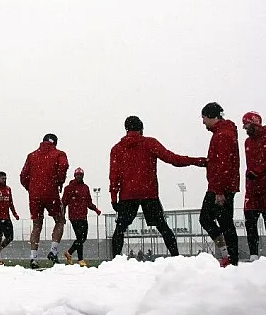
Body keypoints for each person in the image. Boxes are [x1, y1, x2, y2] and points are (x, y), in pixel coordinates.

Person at [109, 116, 206, 259]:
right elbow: (172, 158)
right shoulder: (149, 143)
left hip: (127, 195)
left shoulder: (117, 149)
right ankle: (176, 257)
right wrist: (198, 161)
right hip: (149, 193)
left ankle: (115, 260)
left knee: (120, 229)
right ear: (141, 129)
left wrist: (113, 198)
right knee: (162, 226)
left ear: (126, 129)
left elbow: (114, 176)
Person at [199, 103, 240, 266]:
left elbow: (223, 164)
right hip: (224, 185)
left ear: (211, 116)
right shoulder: (225, 132)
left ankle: (229, 256)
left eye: (203, 118)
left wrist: (219, 191)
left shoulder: (222, 135)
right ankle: (230, 256)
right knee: (225, 222)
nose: (202, 122)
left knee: (208, 219)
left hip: (220, 187)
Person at [20, 133, 69, 268]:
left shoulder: (32, 156)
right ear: (55, 143)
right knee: (59, 221)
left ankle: (33, 258)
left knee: (37, 225)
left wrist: (31, 188)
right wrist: (59, 182)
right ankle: (53, 251)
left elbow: (23, 176)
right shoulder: (59, 154)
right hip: (51, 192)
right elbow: (63, 167)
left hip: (35, 195)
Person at [61, 168, 101, 267]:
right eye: (77, 175)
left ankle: (69, 253)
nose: (79, 176)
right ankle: (80, 259)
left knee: (83, 238)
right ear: (75, 175)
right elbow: (63, 203)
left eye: (81, 175)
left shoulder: (85, 188)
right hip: (74, 217)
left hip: (83, 216)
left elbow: (88, 202)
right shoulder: (68, 188)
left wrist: (95, 209)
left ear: (83, 176)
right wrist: (62, 216)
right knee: (80, 237)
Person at [243, 111, 266, 261]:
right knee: (250, 221)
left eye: (246, 124)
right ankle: (253, 254)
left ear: (255, 124)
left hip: (264, 187)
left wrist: (257, 172)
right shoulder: (248, 142)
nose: (244, 127)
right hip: (252, 188)